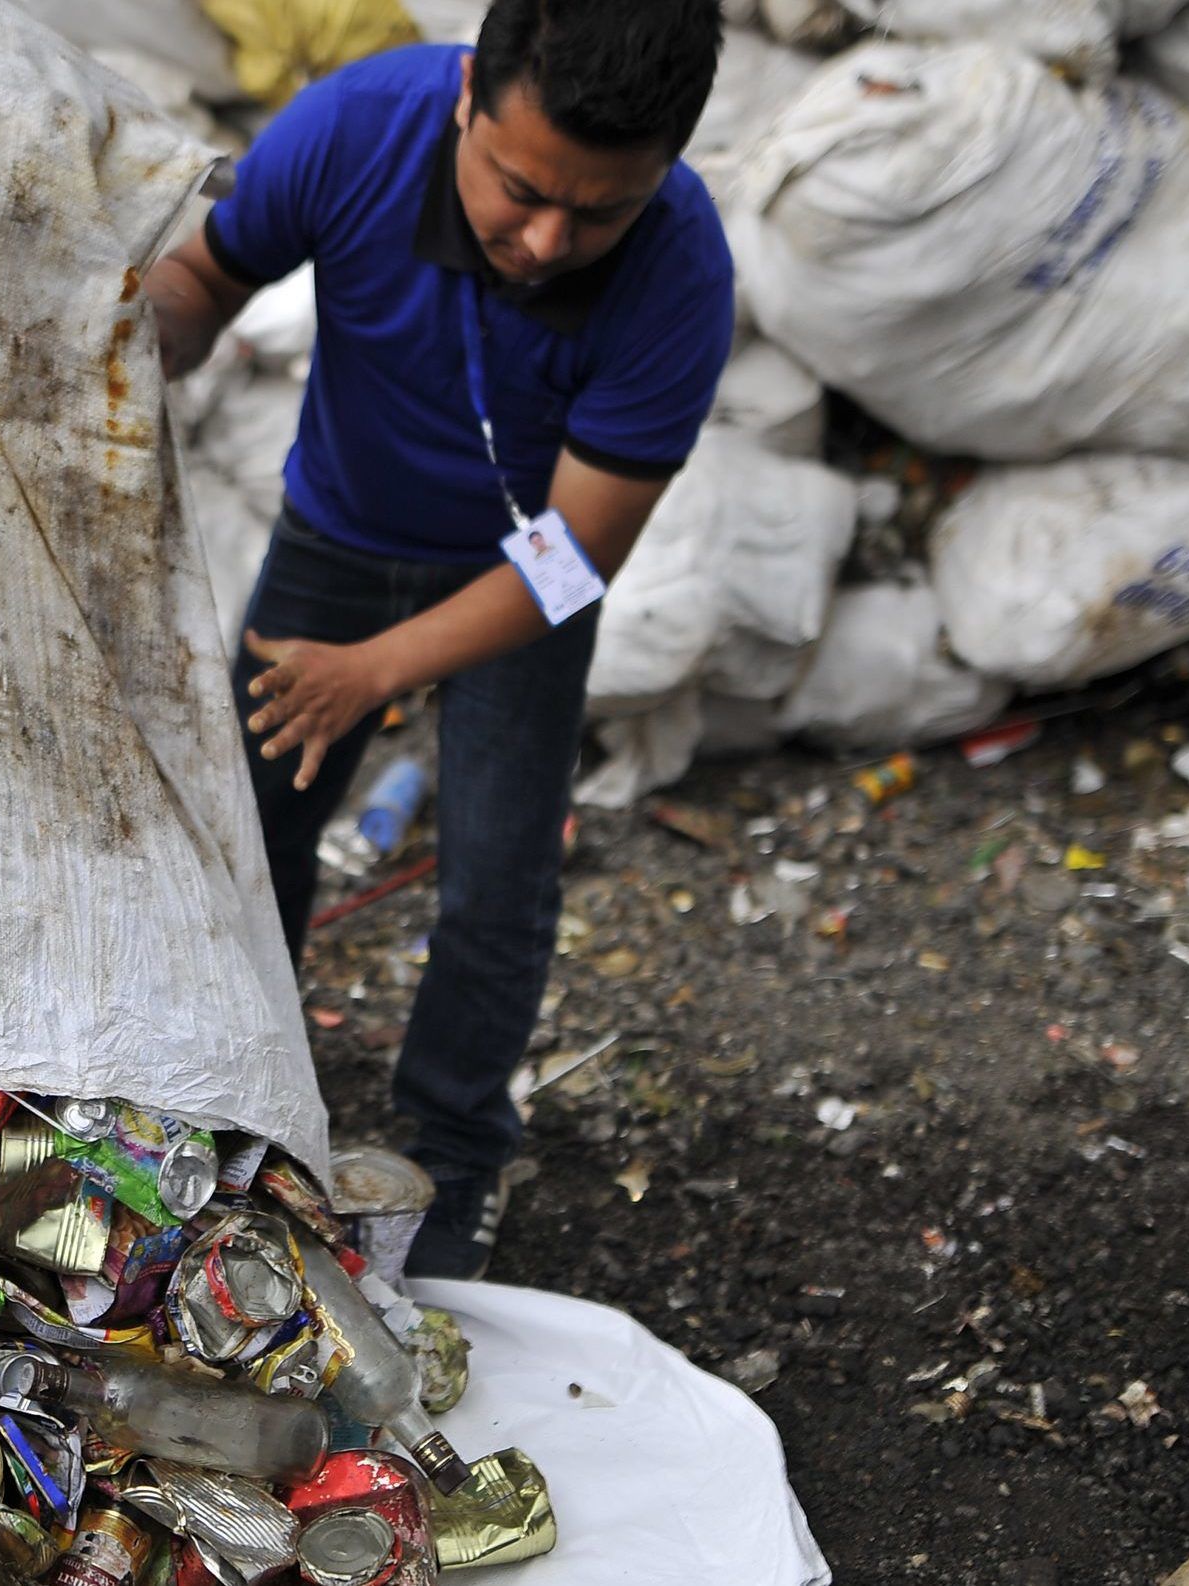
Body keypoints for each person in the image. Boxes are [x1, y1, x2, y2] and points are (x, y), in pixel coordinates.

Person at [145, 0, 732, 1278]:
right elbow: (203, 276)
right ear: (468, 93)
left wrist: (378, 672)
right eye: (519, 189)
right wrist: (145, 339)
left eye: (598, 213)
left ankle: (457, 1154)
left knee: (497, 874)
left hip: (515, 574)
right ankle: (230, 1110)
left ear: (666, 170)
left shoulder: (681, 268)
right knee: (249, 833)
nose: (544, 239)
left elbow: (572, 555)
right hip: (336, 534)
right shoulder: (354, 131)